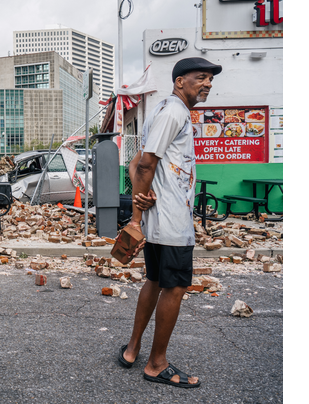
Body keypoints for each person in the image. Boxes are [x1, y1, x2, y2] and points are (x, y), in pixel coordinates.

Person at [118, 57, 222, 389]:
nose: (207, 83)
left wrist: (142, 204)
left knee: (153, 280)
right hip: (172, 221)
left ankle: (132, 350)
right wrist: (137, 214)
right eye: (201, 77)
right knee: (174, 287)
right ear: (180, 82)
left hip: (159, 218)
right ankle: (156, 363)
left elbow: (134, 164)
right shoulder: (174, 112)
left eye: (210, 79)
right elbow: (144, 165)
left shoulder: (162, 111)